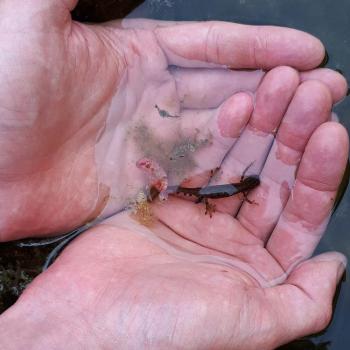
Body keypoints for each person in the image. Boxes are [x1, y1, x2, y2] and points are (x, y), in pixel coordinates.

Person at [0, 1, 348, 349]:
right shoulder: (240, 190)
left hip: (207, 193)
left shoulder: (239, 187)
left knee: (195, 192)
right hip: (206, 193)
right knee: (193, 193)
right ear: (248, 186)